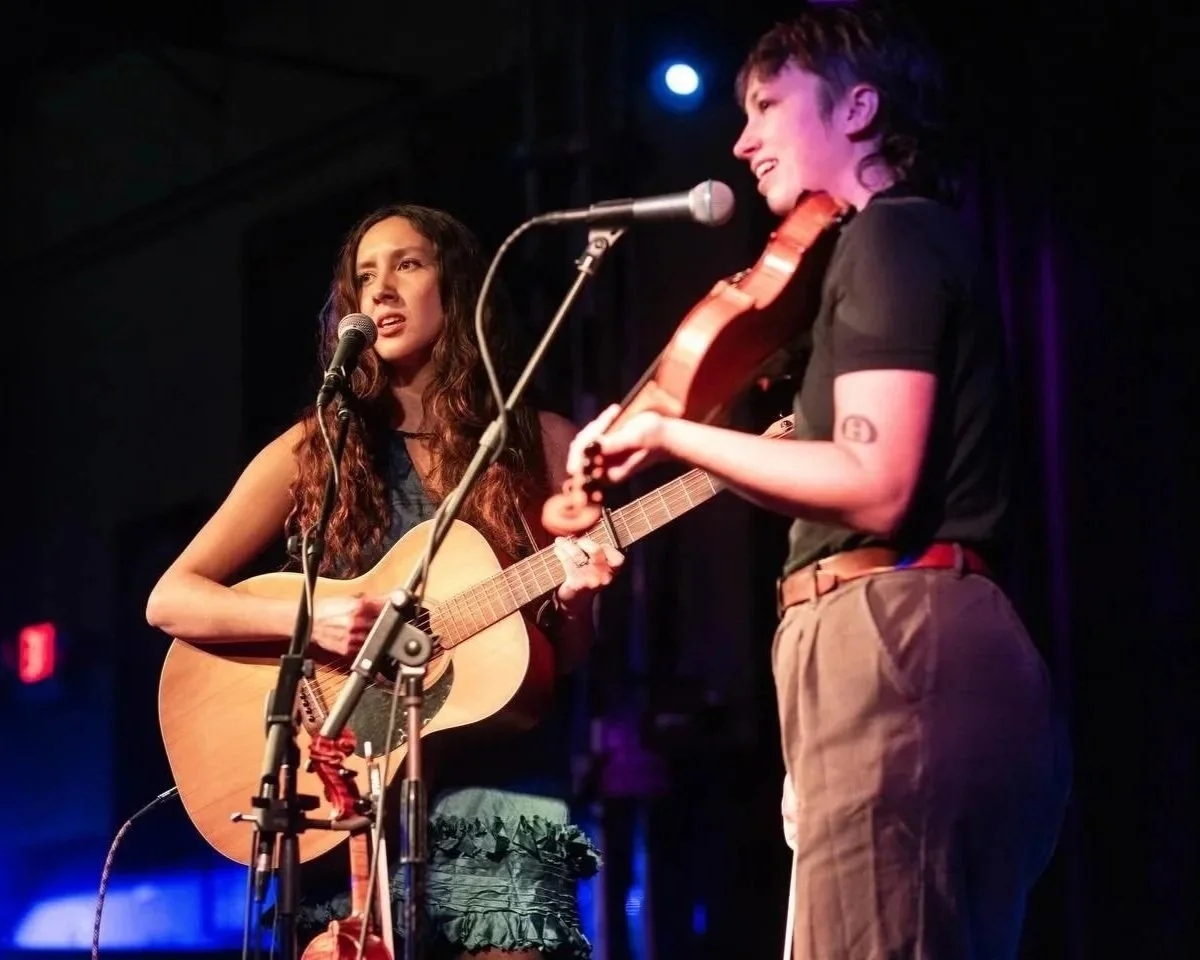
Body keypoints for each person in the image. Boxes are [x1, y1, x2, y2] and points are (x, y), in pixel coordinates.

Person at [561, 3, 1070, 958]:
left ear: (859, 108)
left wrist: (674, 428)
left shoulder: (891, 237)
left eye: (766, 105)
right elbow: (839, 468)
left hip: (895, 635)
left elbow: (872, 482)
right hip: (901, 637)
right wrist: (673, 440)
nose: (741, 138)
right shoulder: (883, 250)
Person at [146, 203, 623, 959]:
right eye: (364, 277)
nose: (382, 292)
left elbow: (565, 657)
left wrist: (574, 597)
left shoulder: (544, 443)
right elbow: (171, 598)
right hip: (345, 804)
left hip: (495, 798)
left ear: (456, 285)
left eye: (407, 265)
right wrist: (319, 617)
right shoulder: (319, 448)